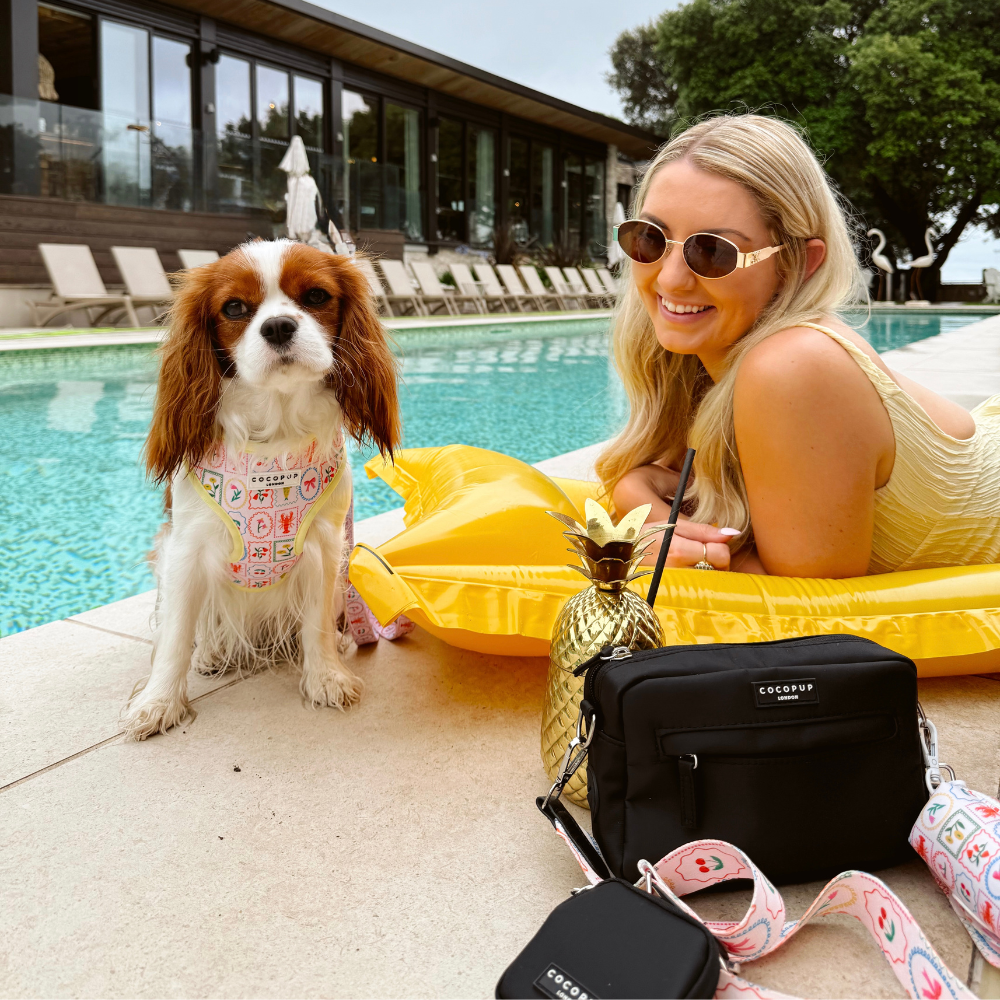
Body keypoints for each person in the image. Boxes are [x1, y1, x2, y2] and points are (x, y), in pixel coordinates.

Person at [597, 115, 1000, 577]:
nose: (670, 279)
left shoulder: (793, 366)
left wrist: (695, 551)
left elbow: (811, 610)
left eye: (713, 251)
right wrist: (635, 490)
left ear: (798, 263)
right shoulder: (702, 364)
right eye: (650, 239)